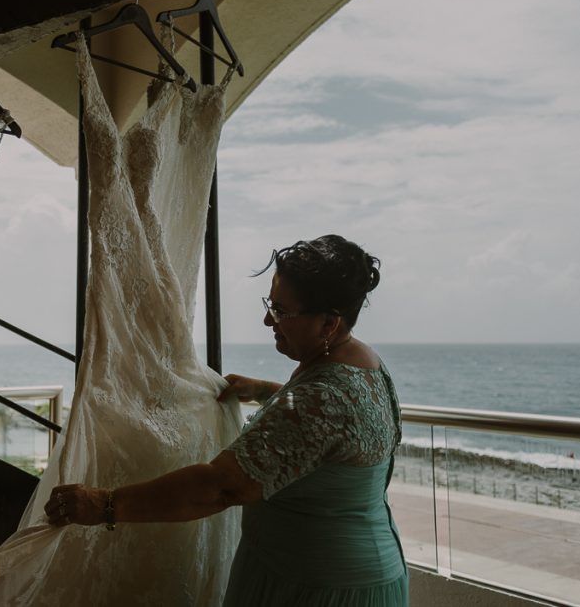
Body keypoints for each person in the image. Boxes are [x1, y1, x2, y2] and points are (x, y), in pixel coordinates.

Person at [44, 235, 408, 606]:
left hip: (312, 586)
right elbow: (338, 427)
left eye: (282, 311)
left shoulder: (320, 401)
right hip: (372, 572)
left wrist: (104, 503)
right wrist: (268, 391)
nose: (268, 319)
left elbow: (220, 487)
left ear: (329, 323)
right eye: (270, 303)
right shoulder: (365, 364)